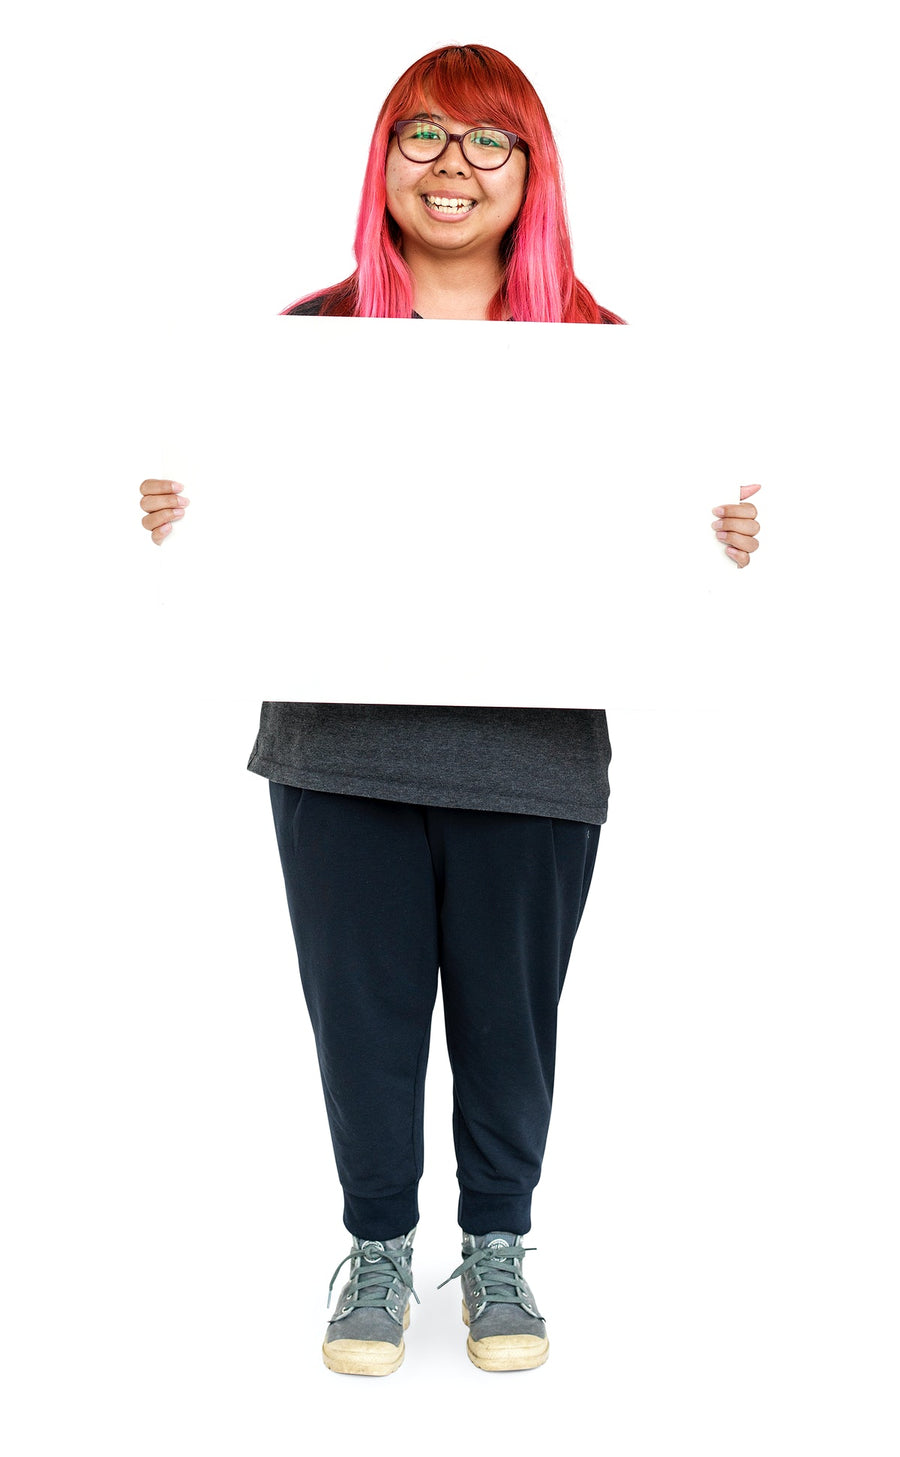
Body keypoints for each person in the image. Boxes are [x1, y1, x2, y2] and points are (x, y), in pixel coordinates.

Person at [138, 42, 762, 1378]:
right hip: (338, 745)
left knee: (508, 1022)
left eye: (487, 141)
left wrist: (716, 533)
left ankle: (495, 1243)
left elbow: (673, 540)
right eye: (420, 136)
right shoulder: (301, 343)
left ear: (532, 171)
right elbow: (226, 516)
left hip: (532, 756)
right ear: (383, 162)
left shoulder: (606, 356)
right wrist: (183, 514)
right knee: (356, 1015)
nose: (452, 166)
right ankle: (373, 1245)